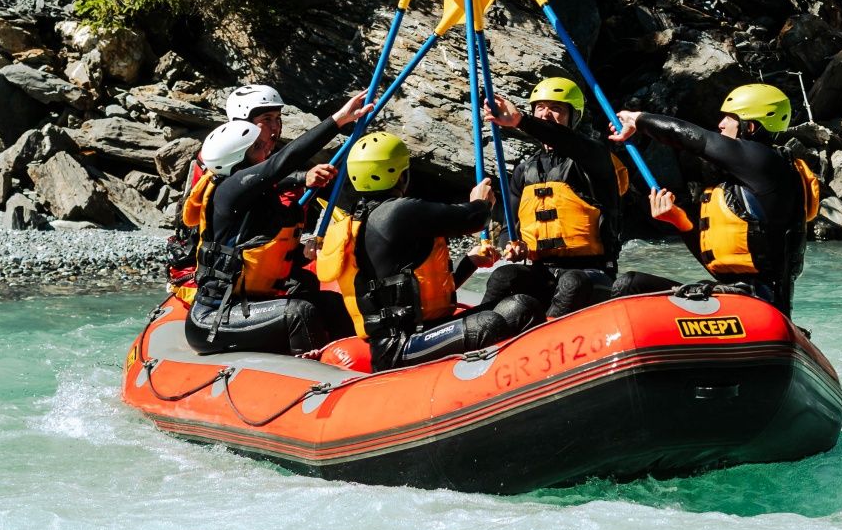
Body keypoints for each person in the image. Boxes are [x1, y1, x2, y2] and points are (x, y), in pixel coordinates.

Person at [315, 132, 545, 371]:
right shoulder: (398, 213)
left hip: (428, 332)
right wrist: (482, 202)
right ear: (402, 175)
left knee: (521, 306)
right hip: (400, 347)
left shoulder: (367, 220)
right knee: (487, 325)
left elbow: (422, 293)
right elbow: (474, 218)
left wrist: (470, 261)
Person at [184, 89, 373, 356]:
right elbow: (278, 166)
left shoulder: (258, 193)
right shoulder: (230, 189)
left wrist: (299, 252)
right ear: (238, 157)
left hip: (253, 304)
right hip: (216, 316)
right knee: (300, 312)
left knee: (330, 303)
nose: (266, 149)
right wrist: (338, 120)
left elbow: (259, 247)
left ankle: (371, 365)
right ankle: (314, 382)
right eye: (257, 148)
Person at [607, 83, 821, 313]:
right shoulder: (754, 181)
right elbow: (721, 268)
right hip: (738, 298)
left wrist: (638, 119)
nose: (720, 124)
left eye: (729, 118)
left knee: (628, 285)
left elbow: (692, 138)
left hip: (760, 304)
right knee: (631, 285)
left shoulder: (764, 162)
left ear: (749, 127)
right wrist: (680, 221)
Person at [480, 76, 630, 318]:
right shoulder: (524, 170)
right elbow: (510, 227)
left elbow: (569, 141)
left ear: (574, 117)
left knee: (572, 283)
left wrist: (521, 120)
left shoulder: (594, 158)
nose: (546, 114)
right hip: (543, 272)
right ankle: (481, 334)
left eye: (556, 109)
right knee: (504, 276)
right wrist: (511, 245)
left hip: (592, 273)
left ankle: (548, 335)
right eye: (540, 108)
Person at [168, 83, 291, 295]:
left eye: (278, 119)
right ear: (243, 123)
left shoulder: (256, 158)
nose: (275, 127)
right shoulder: (222, 162)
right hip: (209, 273)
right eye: (267, 120)